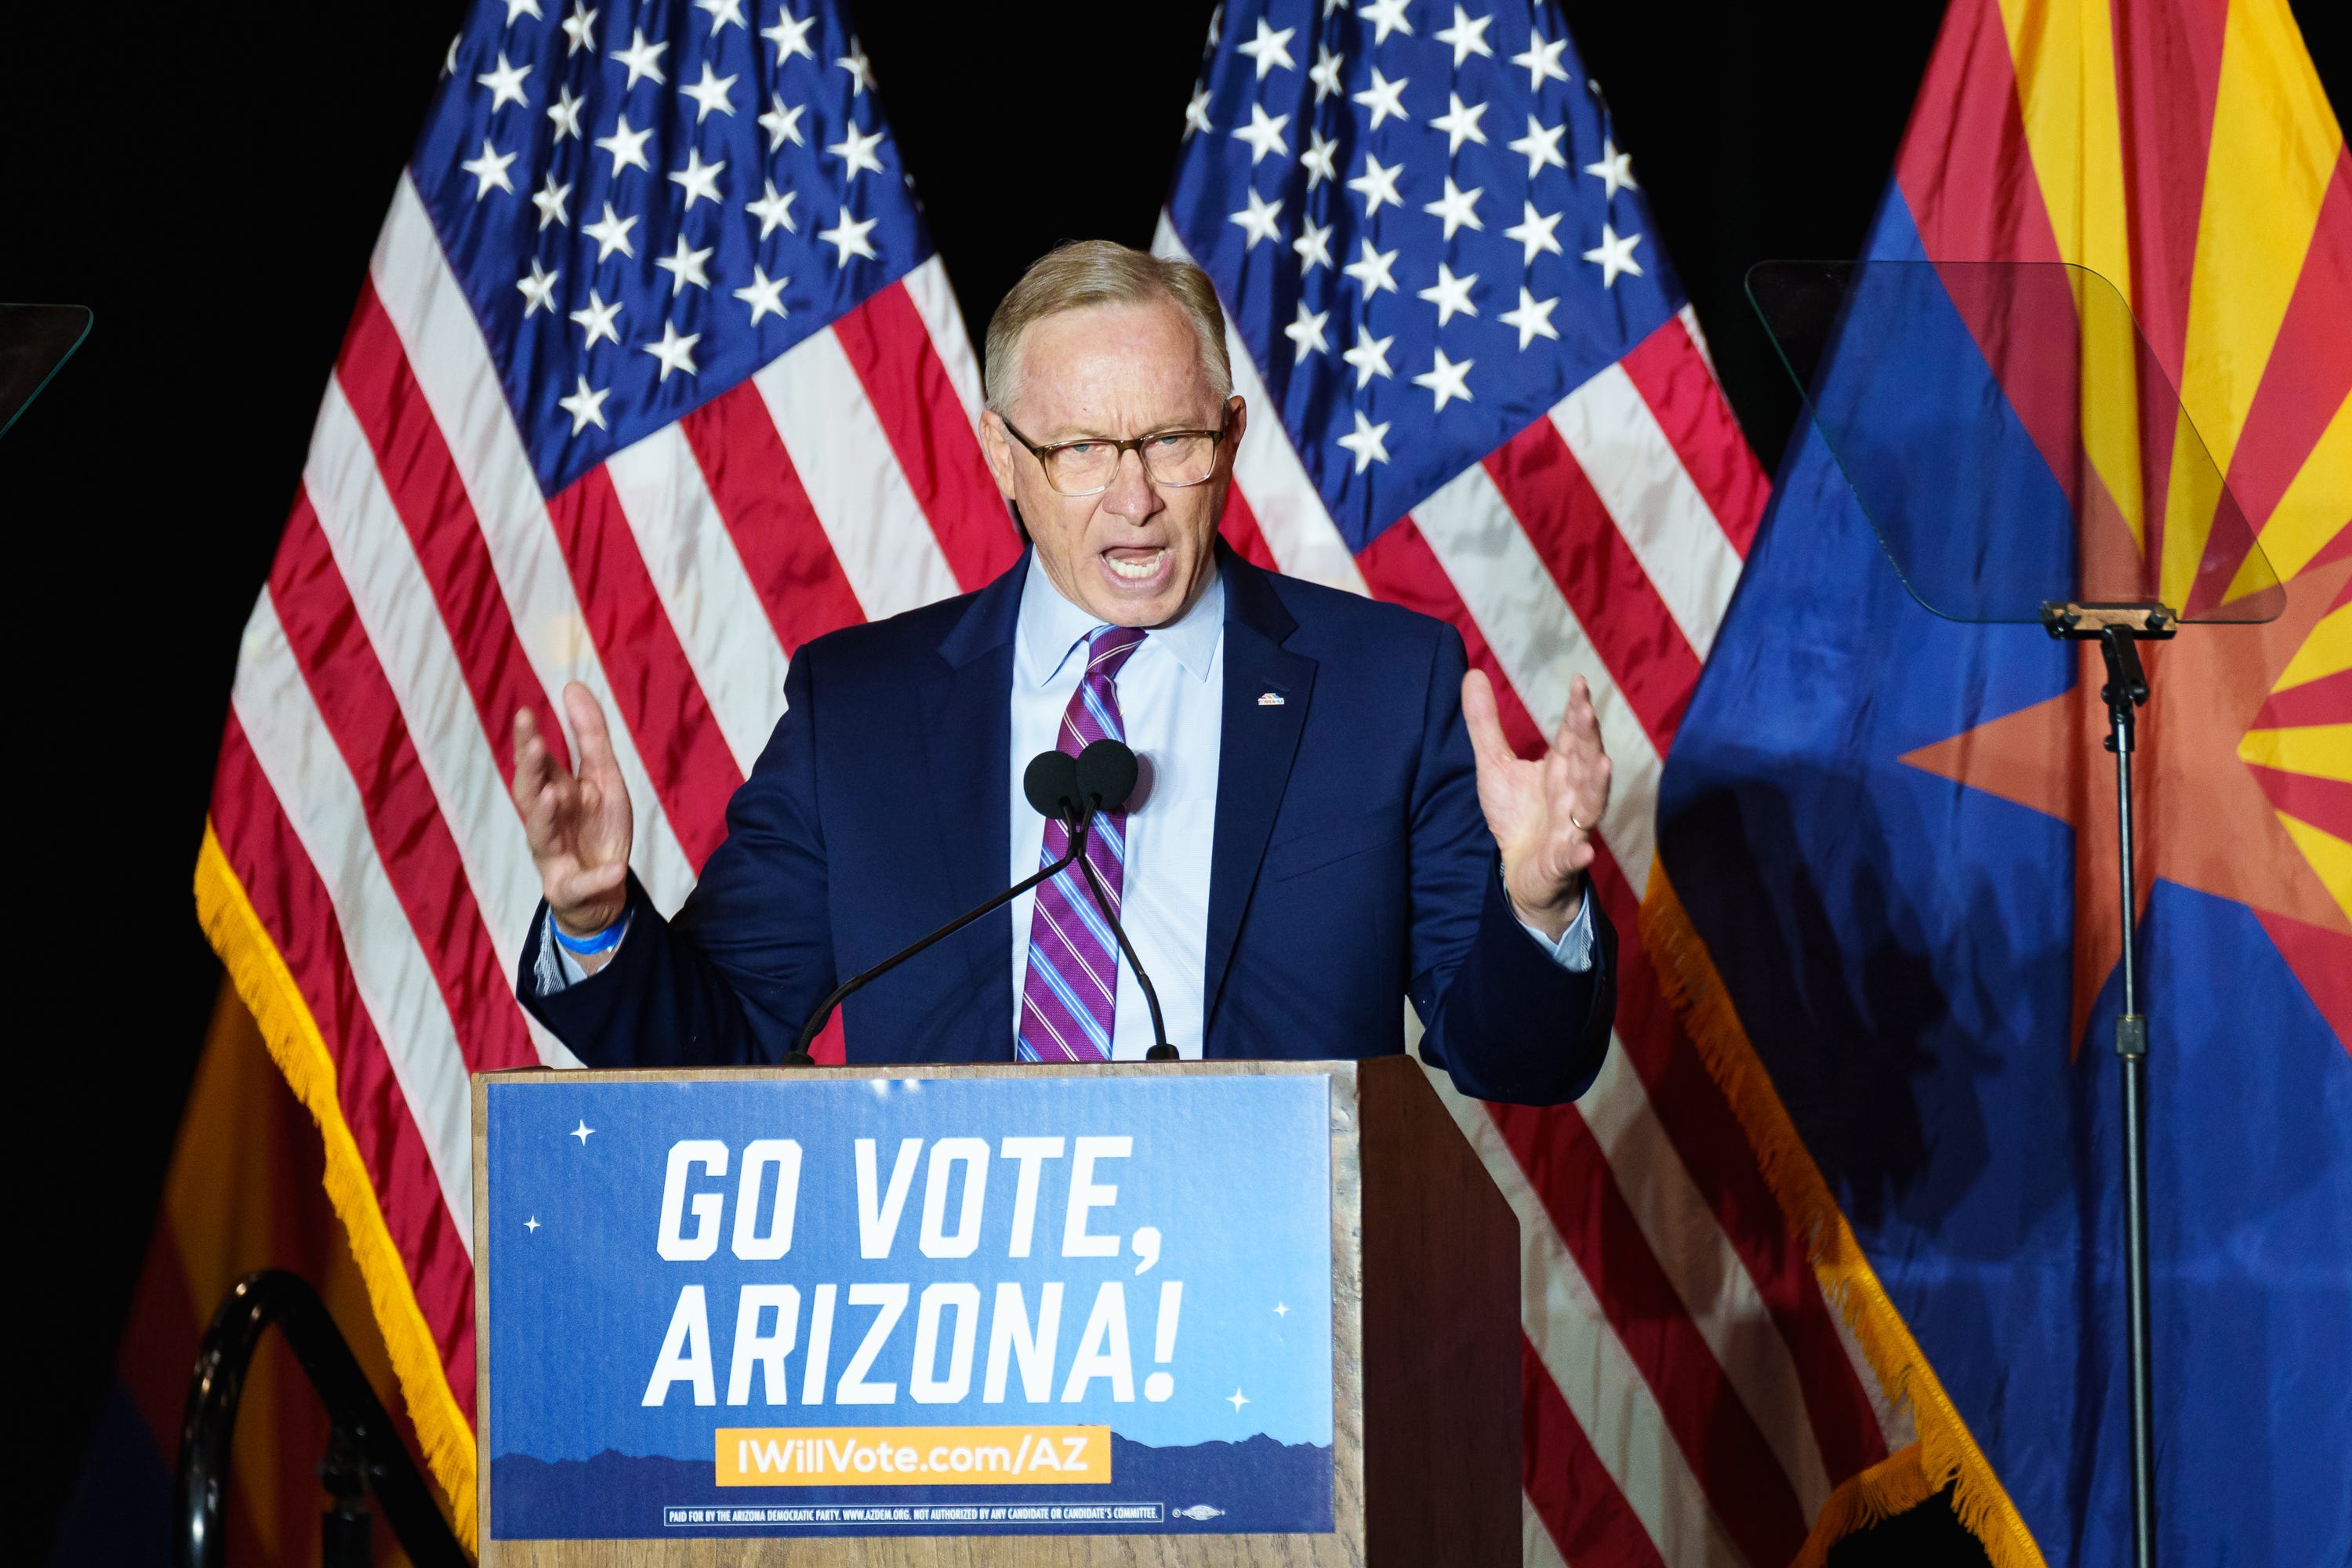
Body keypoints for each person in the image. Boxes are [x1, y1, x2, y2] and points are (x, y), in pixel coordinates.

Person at [513, 241, 1616, 1105]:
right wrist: (598, 920)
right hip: (956, 1326)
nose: (1132, 496)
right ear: (1003, 457)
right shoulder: (861, 710)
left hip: (1269, 1312)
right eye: (1081, 451)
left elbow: (1516, 1061)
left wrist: (1539, 903)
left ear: (1230, 438)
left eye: (1172, 441)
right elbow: (724, 1039)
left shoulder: (1384, 688)